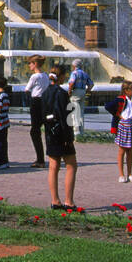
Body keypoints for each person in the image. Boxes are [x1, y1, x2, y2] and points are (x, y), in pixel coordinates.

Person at [44, 66, 77, 209]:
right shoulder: (61, 93)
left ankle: (55, 200)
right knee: (71, 165)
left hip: (50, 132)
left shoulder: (45, 92)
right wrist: (68, 137)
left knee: (53, 166)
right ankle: (69, 201)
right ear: (61, 76)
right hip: (62, 133)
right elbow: (65, 117)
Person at [24, 54, 50, 168]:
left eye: (30, 63)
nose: (29, 65)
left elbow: (27, 89)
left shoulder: (34, 77)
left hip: (35, 102)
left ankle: (40, 159)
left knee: (34, 131)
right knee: (45, 128)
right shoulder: (45, 75)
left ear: (35, 64)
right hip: (45, 102)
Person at [113, 80, 132, 183]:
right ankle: (121, 174)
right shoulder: (121, 99)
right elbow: (109, 106)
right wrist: (119, 116)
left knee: (130, 151)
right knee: (122, 151)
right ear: (126, 90)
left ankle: (129, 174)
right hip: (124, 125)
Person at [66, 58, 94, 138]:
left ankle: (76, 132)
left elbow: (71, 82)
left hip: (76, 92)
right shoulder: (84, 73)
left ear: (74, 65)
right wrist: (88, 91)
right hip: (83, 92)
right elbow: (91, 84)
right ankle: (81, 132)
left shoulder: (74, 73)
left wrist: (69, 91)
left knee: (75, 112)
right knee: (81, 112)